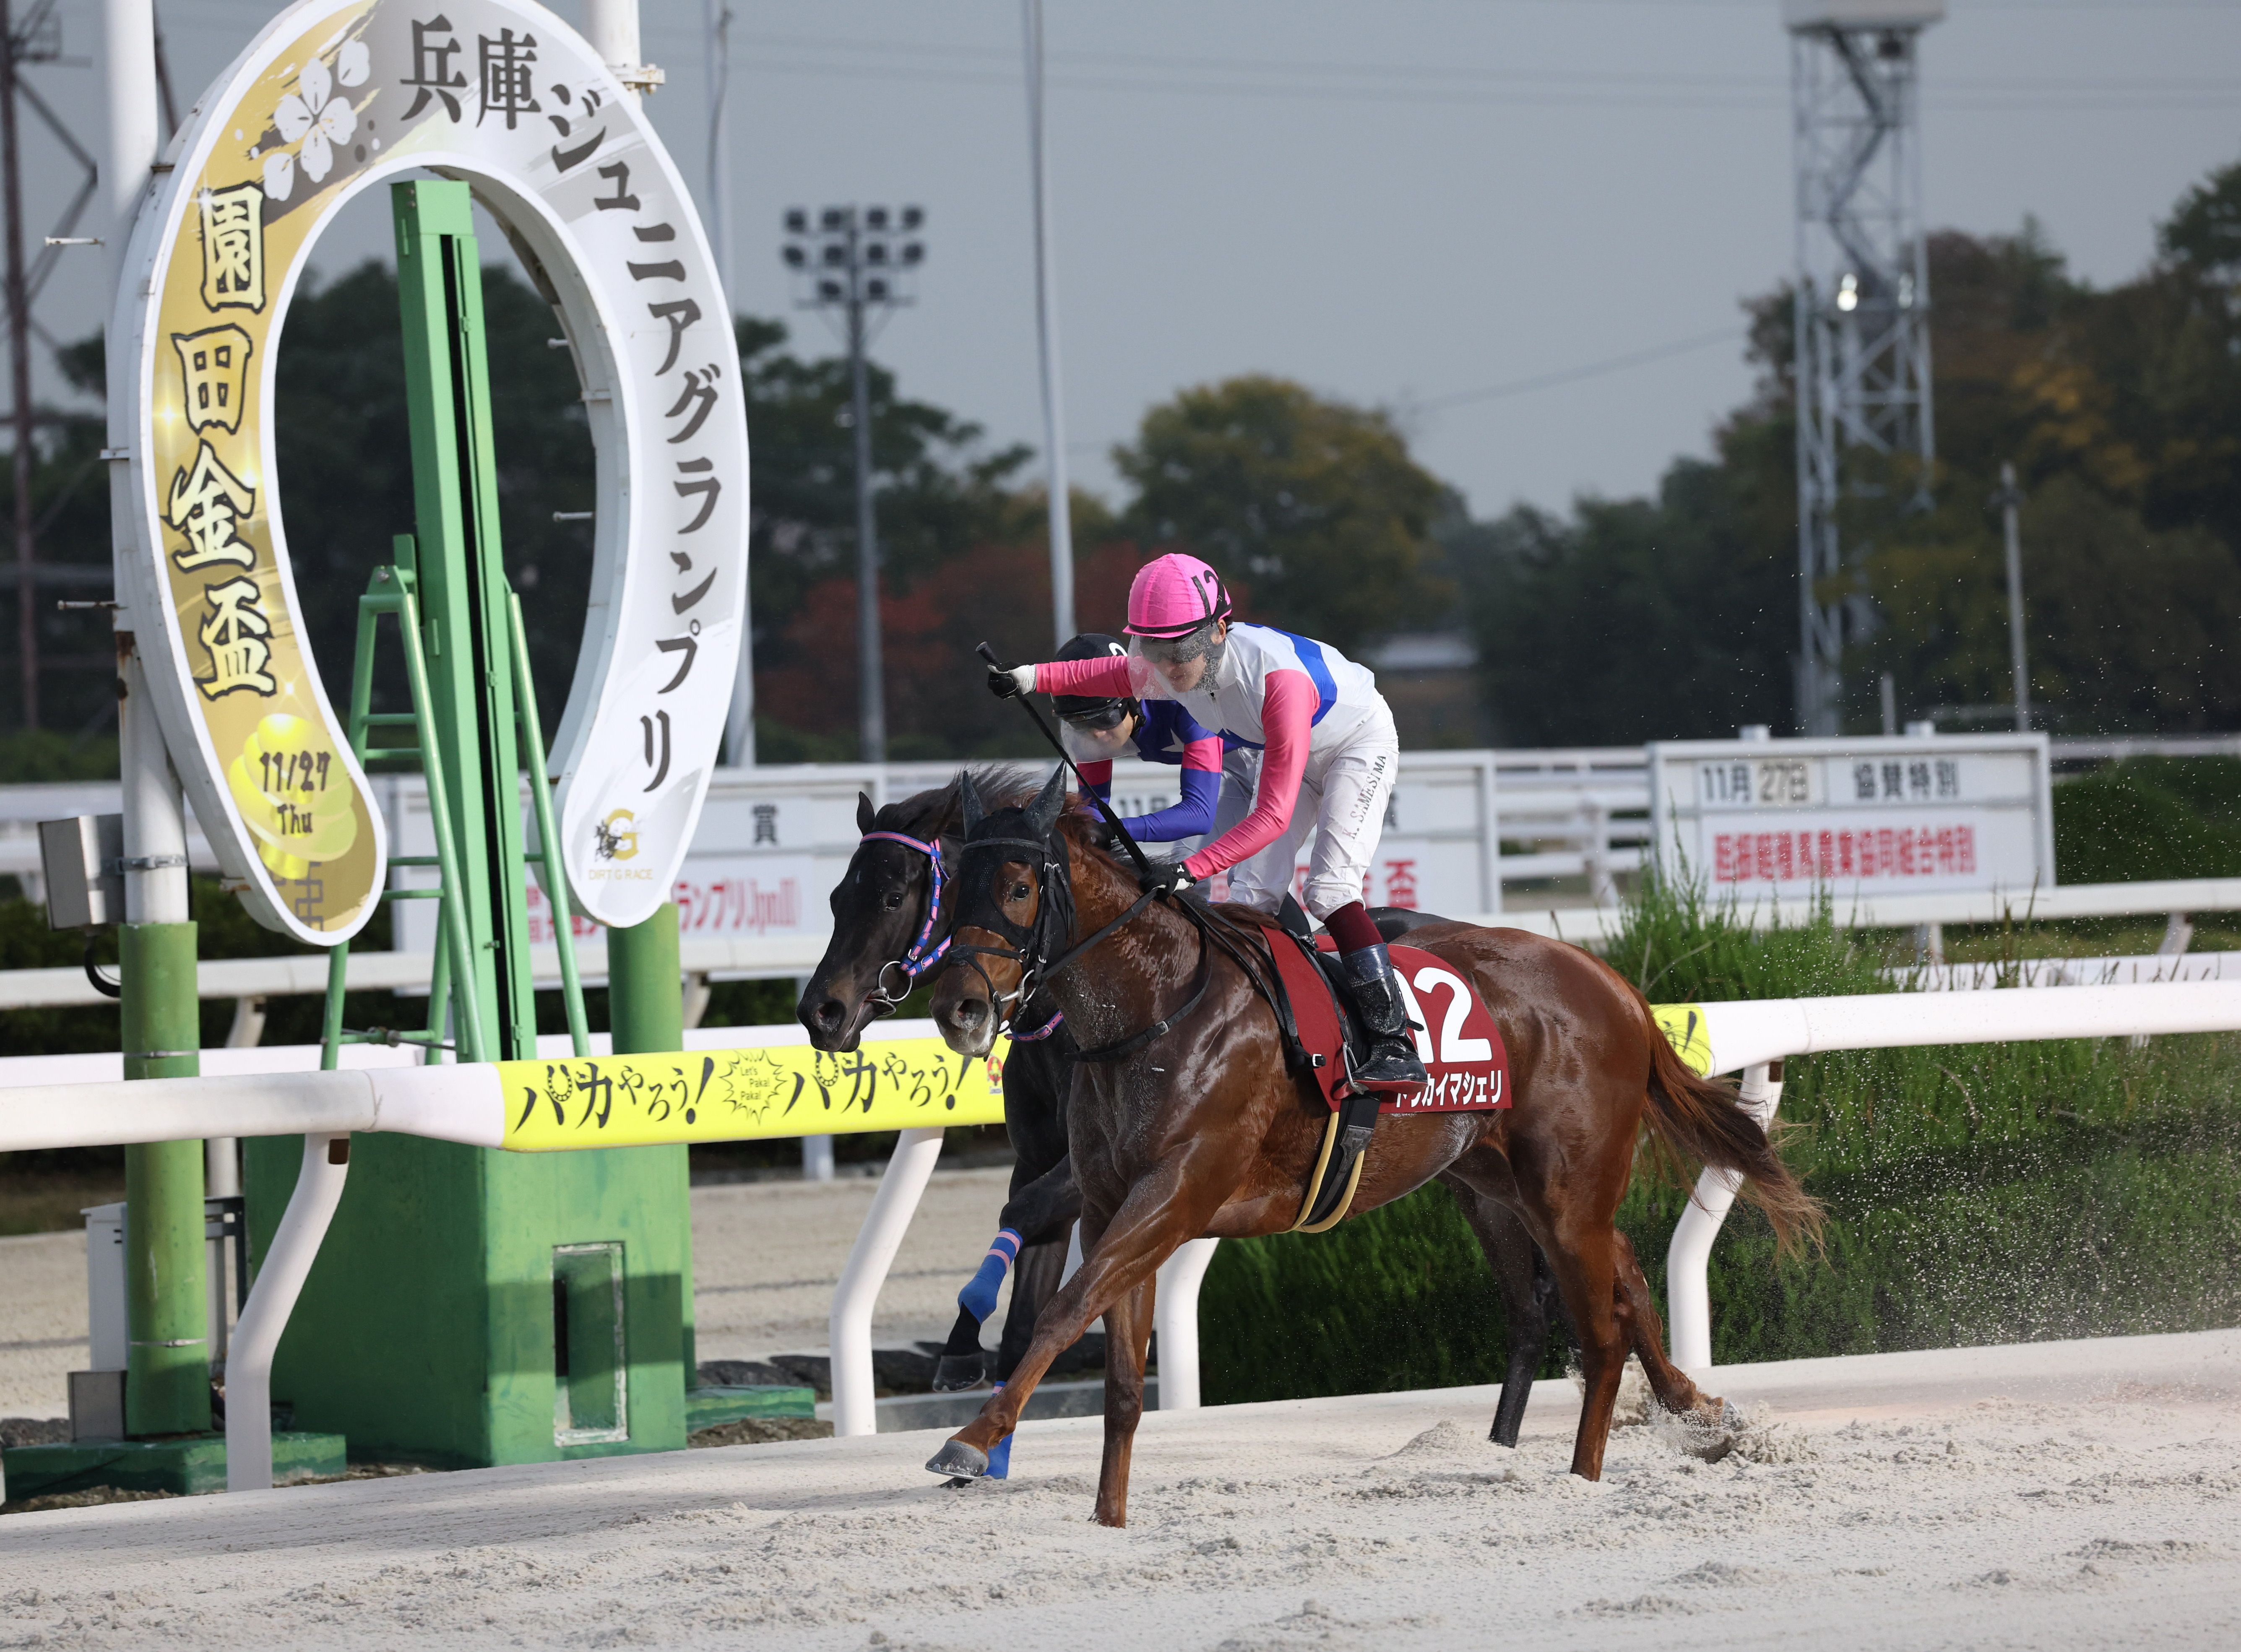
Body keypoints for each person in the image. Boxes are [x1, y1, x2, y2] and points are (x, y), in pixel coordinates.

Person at [989, 552, 1427, 1093]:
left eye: (1182, 650)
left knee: (1330, 890)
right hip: (1278, 751)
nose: (1170, 669)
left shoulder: (1277, 680)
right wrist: (1026, 678)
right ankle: (1280, 1034)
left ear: (1220, 630)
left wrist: (1190, 869)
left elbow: (1271, 817)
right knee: (1252, 900)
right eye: (1155, 649)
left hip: (1352, 746)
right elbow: (1099, 673)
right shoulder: (1163, 662)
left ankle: (1394, 1042)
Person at [1046, 632, 1225, 845]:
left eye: (1106, 718)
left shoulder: (1186, 704)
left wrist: (1114, 831)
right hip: (1219, 764)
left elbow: (1199, 815)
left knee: (1248, 876)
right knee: (1188, 858)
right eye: (1080, 723)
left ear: (1135, 695)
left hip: (1259, 752)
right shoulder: (1095, 732)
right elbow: (1093, 811)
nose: (1096, 734)